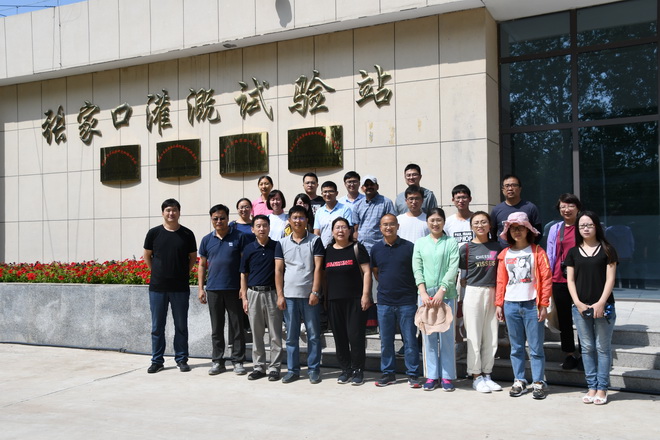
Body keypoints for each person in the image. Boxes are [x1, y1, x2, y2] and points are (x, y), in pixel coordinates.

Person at [495, 212, 552, 399]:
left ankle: (538, 382)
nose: (517, 231)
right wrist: (499, 304)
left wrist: (544, 303)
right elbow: (501, 281)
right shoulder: (505, 254)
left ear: (528, 230)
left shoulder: (538, 252)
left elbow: (546, 278)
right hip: (510, 304)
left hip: (532, 304)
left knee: (535, 347)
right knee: (516, 347)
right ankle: (519, 380)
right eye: (513, 228)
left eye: (520, 228)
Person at [566, 210, 618, 405]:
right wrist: (578, 303)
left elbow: (610, 279)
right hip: (580, 307)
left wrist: (601, 302)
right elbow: (570, 280)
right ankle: (591, 387)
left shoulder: (608, 250)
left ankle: (602, 388)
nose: (586, 228)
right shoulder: (573, 252)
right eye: (582, 226)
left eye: (589, 225)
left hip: (604, 306)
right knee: (587, 348)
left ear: (596, 226)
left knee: (602, 348)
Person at [143, 199, 197, 373]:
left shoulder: (187, 234)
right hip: (158, 287)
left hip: (180, 288)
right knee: (157, 327)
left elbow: (193, 258)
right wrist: (156, 272)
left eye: (174, 210)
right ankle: (157, 360)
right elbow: (147, 255)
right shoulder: (154, 233)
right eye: (168, 210)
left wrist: (183, 273)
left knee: (181, 325)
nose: (171, 213)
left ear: (179, 212)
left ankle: (181, 359)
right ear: (163, 213)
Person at [275, 205, 325, 384]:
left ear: (307, 220)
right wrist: (280, 295)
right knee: (291, 336)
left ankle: (313, 369)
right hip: (289, 296)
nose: (298, 221)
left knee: (313, 334)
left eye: (301, 217)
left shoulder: (315, 241)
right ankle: (292, 370)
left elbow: (318, 268)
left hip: (309, 295)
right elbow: (278, 270)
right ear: (289, 220)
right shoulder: (282, 243)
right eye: (294, 217)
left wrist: (315, 291)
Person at [370, 214, 422, 388]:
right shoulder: (376, 249)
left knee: (410, 341)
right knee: (386, 341)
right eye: (385, 225)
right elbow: (376, 272)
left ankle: (413, 374)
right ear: (380, 228)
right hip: (384, 302)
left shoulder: (409, 247)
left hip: (407, 301)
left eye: (392, 224)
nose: (388, 227)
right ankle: (388, 373)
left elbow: (416, 271)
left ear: (398, 226)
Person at [413, 207, 460, 391]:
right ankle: (432, 376)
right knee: (428, 337)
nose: (435, 223)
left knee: (447, 337)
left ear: (443, 222)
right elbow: (417, 268)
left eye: (438, 220)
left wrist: (442, 290)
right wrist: (423, 292)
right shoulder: (420, 243)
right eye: (432, 220)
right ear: (427, 222)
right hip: (425, 296)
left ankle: (447, 376)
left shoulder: (451, 242)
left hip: (446, 295)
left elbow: (453, 268)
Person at [198, 204, 247, 376]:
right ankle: (218, 361)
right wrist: (201, 288)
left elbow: (244, 264)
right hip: (213, 289)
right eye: (215, 219)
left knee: (237, 327)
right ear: (211, 220)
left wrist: (243, 288)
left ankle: (238, 361)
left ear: (228, 218)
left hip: (234, 289)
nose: (219, 221)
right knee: (216, 328)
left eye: (222, 218)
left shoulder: (239, 237)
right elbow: (202, 265)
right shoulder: (206, 240)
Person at [324, 217, 372, 385]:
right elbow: (323, 276)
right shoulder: (327, 251)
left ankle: (358, 370)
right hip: (334, 300)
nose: (340, 231)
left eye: (344, 227)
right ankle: (346, 369)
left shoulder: (357, 248)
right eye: (337, 227)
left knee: (355, 336)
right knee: (340, 337)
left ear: (350, 230)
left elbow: (367, 272)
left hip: (355, 300)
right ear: (332, 232)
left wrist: (366, 295)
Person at [459, 211, 502, 393]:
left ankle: (487, 374)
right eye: (476, 223)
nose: (480, 225)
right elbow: (462, 271)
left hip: (492, 291)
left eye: (484, 222)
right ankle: (476, 376)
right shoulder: (466, 248)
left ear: (490, 225)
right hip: (473, 292)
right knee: (474, 337)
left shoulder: (498, 246)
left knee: (491, 336)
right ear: (471, 226)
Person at [239, 215, 284, 382]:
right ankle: (258, 367)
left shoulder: (277, 246)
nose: (261, 229)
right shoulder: (249, 248)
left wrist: (280, 295)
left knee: (275, 334)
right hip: (254, 294)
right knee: (257, 334)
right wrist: (244, 297)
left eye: (264, 225)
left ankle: (275, 368)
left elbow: (280, 270)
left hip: (272, 294)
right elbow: (243, 274)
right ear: (253, 229)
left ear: (269, 227)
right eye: (258, 226)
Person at [546, 193, 583, 370]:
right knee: (564, 318)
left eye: (570, 206)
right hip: (560, 278)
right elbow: (550, 253)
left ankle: (585, 354)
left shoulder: (584, 225)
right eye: (563, 207)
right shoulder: (555, 228)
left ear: (578, 208)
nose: (566, 210)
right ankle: (569, 354)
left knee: (583, 317)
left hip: (582, 279)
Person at [490, 175, 542, 246]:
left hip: (526, 250)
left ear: (520, 189)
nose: (510, 188)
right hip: (504, 251)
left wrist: (528, 247)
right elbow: (492, 234)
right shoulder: (496, 210)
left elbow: (538, 233)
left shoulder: (530, 208)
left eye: (514, 185)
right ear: (502, 190)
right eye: (507, 186)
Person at [352, 175, 396, 253]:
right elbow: (355, 227)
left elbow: (392, 224)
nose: (369, 187)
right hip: (362, 247)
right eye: (366, 185)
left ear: (377, 186)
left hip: (380, 247)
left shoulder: (386, 202)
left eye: (372, 184)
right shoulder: (357, 205)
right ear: (362, 188)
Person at [313, 181, 353, 247]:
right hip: (323, 248)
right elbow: (317, 232)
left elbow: (348, 230)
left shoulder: (345, 209)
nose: (327, 194)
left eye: (331, 191)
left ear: (336, 193)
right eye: (325, 192)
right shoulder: (319, 212)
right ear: (322, 194)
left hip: (341, 248)